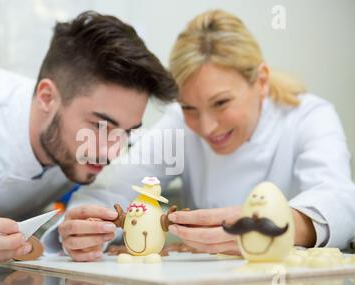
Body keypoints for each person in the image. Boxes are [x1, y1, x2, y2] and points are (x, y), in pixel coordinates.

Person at [49, 10, 355, 261]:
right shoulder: (179, 125)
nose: (206, 127)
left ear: (260, 81)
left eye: (221, 103)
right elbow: (111, 191)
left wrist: (279, 227)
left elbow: (339, 199)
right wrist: (84, 229)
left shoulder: (307, 117)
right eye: (189, 108)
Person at [0, 11, 177, 273]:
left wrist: (74, 236)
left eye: (126, 132)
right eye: (100, 126)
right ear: (47, 97)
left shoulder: (85, 157)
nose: (112, 151)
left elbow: (101, 202)